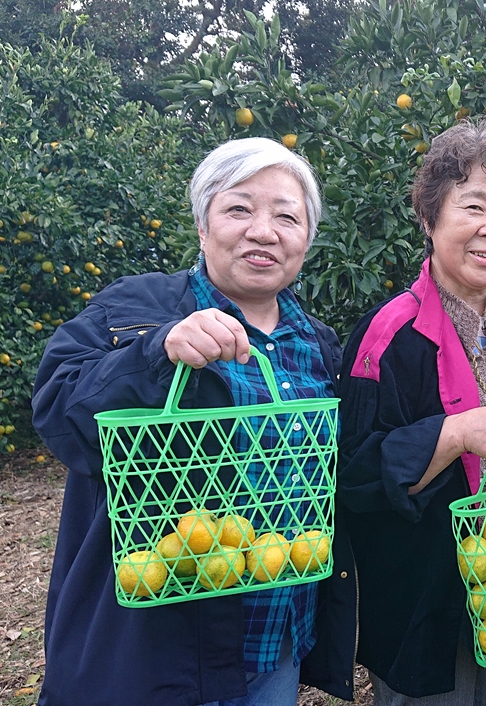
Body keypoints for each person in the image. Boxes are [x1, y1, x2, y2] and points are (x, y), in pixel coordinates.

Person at [31, 137, 355, 706]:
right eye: (239, 209)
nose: (263, 231)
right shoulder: (134, 309)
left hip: (275, 639)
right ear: (203, 226)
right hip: (158, 652)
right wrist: (155, 353)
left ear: (306, 239)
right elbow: (59, 412)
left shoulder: (318, 344)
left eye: (287, 217)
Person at [336, 116, 486, 705]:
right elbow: (353, 473)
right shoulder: (388, 336)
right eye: (473, 206)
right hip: (424, 599)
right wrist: (451, 434)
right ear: (429, 218)